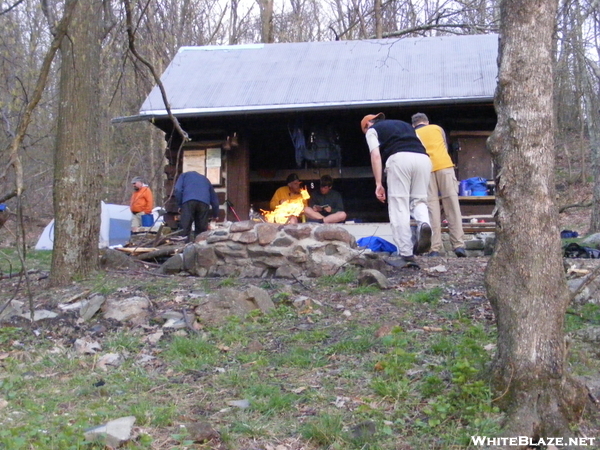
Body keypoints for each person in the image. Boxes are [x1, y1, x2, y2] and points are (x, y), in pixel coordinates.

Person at [361, 112, 432, 262]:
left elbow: (375, 155)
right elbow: (422, 145)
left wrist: (378, 183)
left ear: (367, 125)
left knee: (399, 205)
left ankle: (406, 253)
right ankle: (424, 225)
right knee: (419, 200)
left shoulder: (372, 131)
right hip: (423, 159)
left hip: (399, 159)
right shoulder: (405, 125)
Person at [412, 113, 466, 257]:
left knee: (432, 209)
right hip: (444, 166)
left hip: (426, 169)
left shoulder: (413, 133)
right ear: (427, 122)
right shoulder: (437, 128)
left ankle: (434, 248)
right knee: (452, 206)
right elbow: (445, 145)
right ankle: (458, 245)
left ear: (413, 124)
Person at [174, 171, 220, 242]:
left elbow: (178, 190)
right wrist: (215, 215)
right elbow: (214, 200)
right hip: (204, 203)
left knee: (184, 230)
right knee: (201, 232)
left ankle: (182, 250)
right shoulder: (205, 179)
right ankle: (200, 249)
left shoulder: (183, 176)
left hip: (188, 201)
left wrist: (180, 204)